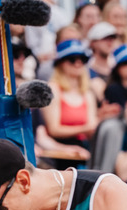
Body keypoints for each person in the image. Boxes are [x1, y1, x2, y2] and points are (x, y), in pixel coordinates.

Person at [42, 39, 99, 168]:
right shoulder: (53, 89)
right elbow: (54, 129)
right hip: (58, 153)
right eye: (72, 59)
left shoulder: (88, 93)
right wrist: (85, 128)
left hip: (83, 151)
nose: (78, 63)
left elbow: (92, 128)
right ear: (60, 63)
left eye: (83, 59)